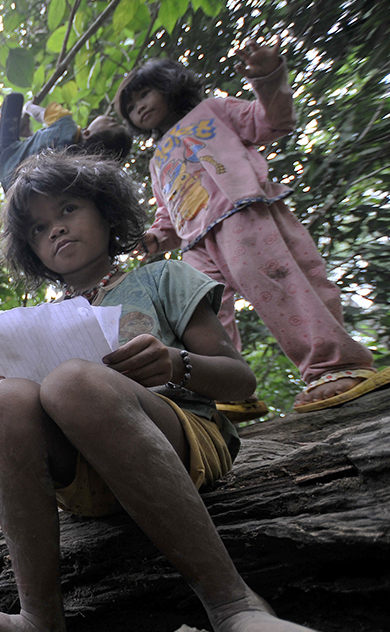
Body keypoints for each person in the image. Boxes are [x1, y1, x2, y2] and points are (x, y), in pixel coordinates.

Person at [0, 150, 387, 632]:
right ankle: (39, 618)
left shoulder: (163, 278)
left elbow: (239, 379)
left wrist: (176, 363)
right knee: (7, 399)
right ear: (32, 251)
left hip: (184, 442)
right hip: (86, 479)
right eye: (38, 228)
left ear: (107, 213)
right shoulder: (39, 321)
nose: (55, 229)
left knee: (73, 382)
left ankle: (234, 604)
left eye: (68, 209)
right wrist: (5, 388)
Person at [114, 39, 388, 415]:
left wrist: (269, 78)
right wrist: (155, 239)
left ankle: (334, 366)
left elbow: (269, 121)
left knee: (282, 287)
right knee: (200, 312)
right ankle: (227, 389)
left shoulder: (213, 110)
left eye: (144, 95)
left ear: (169, 85)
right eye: (131, 107)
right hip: (195, 244)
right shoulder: (156, 158)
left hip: (241, 215)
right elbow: (169, 212)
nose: (139, 107)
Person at [0, 91, 133, 190]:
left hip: (5, 152)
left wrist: (29, 107)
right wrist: (29, 134)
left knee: (14, 99)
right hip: (12, 185)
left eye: (113, 123)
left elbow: (40, 113)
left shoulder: (66, 123)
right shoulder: (70, 167)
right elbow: (39, 152)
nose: (113, 119)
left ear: (88, 133)